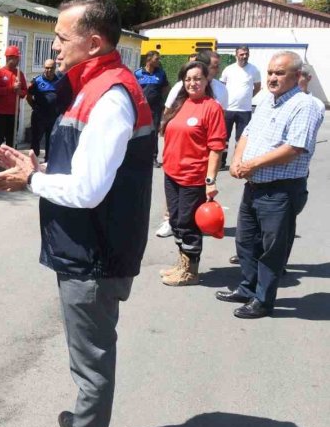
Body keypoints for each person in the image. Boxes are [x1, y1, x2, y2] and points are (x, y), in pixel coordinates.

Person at [0, 0, 154, 427]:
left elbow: (86, 189)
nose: (55, 46)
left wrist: (30, 181)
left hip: (96, 250)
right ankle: (91, 425)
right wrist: (38, 166)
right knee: (91, 352)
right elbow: (83, 166)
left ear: (94, 41)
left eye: (62, 37)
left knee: (91, 355)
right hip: (88, 242)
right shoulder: (93, 85)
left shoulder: (111, 95)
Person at [216, 51, 324, 319]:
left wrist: (251, 166)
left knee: (271, 250)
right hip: (254, 186)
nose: (273, 78)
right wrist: (238, 160)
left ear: (297, 76)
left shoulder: (304, 105)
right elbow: (247, 134)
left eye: (280, 73)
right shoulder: (266, 100)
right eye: (270, 73)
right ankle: (247, 288)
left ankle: (263, 301)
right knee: (245, 241)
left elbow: (294, 148)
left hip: (281, 190)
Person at [158, 61, 227, 286]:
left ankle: (191, 272)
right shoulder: (180, 104)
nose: (192, 83)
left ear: (207, 81)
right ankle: (182, 263)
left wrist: (210, 181)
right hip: (172, 173)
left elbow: (216, 147)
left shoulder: (211, 107)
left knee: (188, 223)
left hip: (194, 177)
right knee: (176, 221)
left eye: (197, 78)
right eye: (188, 79)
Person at [220, 45, 261, 168]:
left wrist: (247, 98)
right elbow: (222, 87)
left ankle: (236, 162)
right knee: (224, 138)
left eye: (246, 54)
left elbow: (257, 87)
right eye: (242, 54)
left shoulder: (254, 70)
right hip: (228, 109)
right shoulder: (228, 69)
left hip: (245, 110)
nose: (244, 56)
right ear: (236, 54)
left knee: (241, 139)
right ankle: (221, 162)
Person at [0, 46, 28, 160]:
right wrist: (12, 88)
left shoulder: (19, 74)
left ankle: (10, 161)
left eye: (18, 58)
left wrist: (19, 91)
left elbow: (24, 92)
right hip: (1, 112)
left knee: (11, 138)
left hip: (14, 112)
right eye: (16, 58)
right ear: (9, 58)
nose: (18, 60)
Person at [134, 51, 168, 166]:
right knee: (138, 132)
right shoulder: (138, 73)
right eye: (156, 59)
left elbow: (165, 88)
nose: (158, 61)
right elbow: (133, 89)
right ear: (149, 59)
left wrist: (162, 102)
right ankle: (138, 156)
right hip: (140, 109)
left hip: (155, 109)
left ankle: (153, 157)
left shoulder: (161, 73)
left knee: (153, 134)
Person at [27, 59, 62, 161]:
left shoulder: (59, 81)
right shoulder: (37, 81)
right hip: (39, 117)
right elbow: (28, 96)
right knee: (35, 141)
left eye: (51, 68)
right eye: (47, 68)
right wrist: (34, 107)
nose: (49, 70)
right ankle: (32, 162)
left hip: (53, 117)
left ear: (55, 68)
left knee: (50, 141)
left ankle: (48, 162)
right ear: (44, 68)